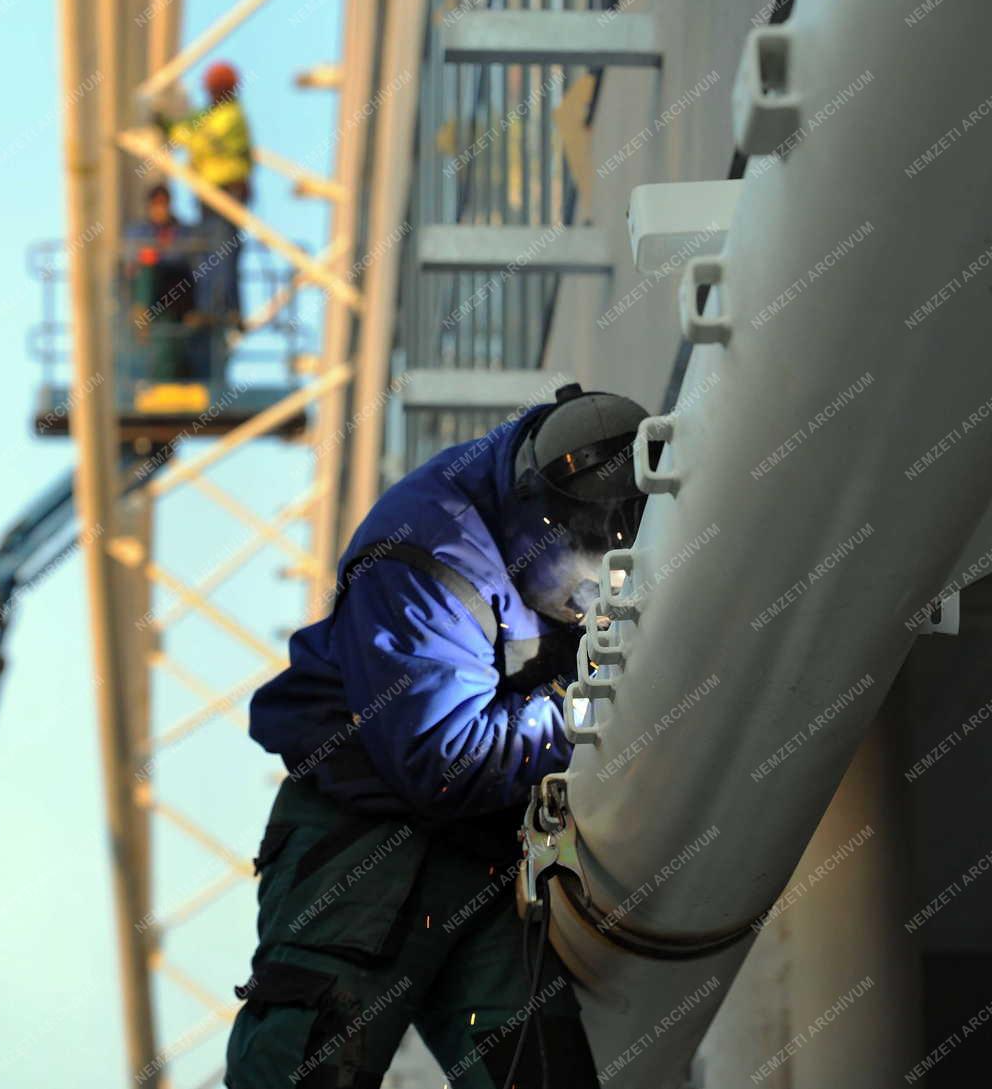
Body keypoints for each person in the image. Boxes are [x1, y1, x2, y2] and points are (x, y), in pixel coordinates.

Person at [225, 383, 650, 1088]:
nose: (587, 603)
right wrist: (587, 711)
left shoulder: (574, 471)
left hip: (481, 854)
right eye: (580, 581)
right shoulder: (428, 555)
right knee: (312, 1064)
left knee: (540, 1071)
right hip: (362, 844)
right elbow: (444, 758)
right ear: (535, 522)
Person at [158, 59, 252, 331]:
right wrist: (168, 126)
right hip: (210, 197)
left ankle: (222, 309)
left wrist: (176, 132)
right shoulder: (210, 114)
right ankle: (216, 308)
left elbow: (202, 138)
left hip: (226, 194)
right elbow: (189, 128)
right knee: (212, 251)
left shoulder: (231, 117)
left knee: (222, 252)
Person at [122, 185, 196, 382]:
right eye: (156, 204)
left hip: (176, 287)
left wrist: (161, 253)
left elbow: (184, 259)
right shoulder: (139, 231)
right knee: (147, 266)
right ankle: (142, 313)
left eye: (164, 204)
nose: (160, 209)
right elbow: (132, 261)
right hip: (148, 288)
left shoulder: (184, 231)